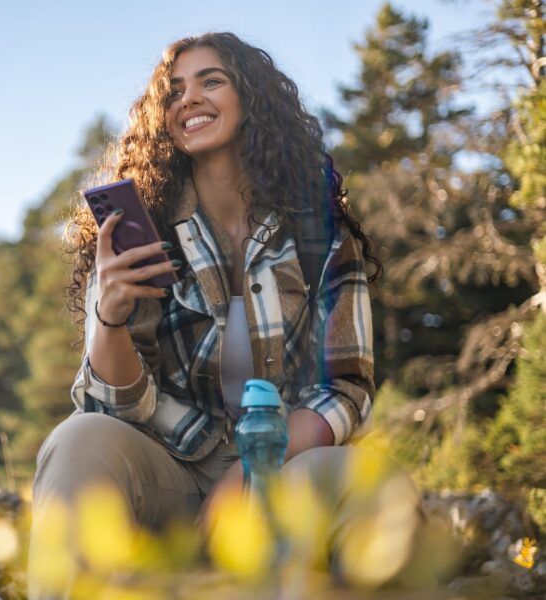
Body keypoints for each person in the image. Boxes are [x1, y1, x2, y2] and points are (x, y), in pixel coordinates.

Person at [28, 31, 412, 598]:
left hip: (285, 466)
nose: (190, 98)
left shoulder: (317, 229)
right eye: (175, 91)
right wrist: (106, 318)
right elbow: (118, 406)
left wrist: (251, 467)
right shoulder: (140, 229)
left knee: (373, 485)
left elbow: (347, 390)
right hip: (171, 470)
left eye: (212, 80)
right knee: (79, 438)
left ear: (252, 98)